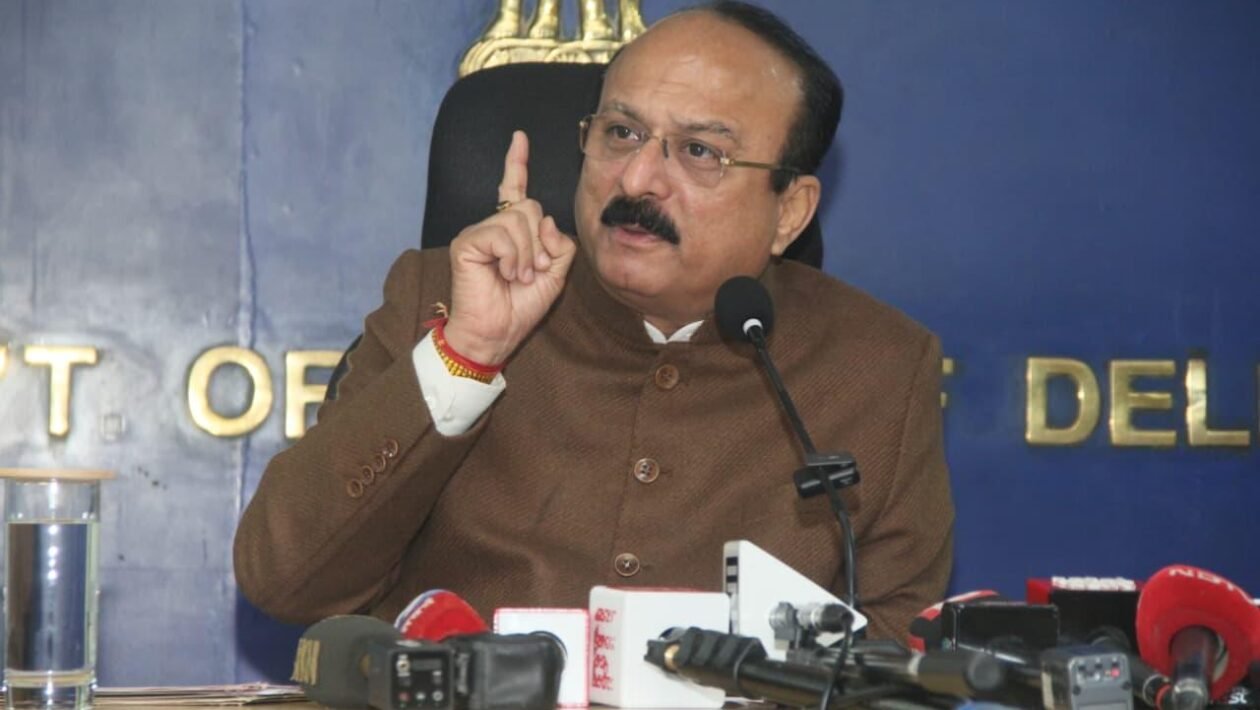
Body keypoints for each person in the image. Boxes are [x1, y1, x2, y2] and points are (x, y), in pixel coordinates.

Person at [234, 0, 953, 641]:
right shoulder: (441, 299)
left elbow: (895, 657)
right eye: (621, 132)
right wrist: (468, 354)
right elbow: (285, 582)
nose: (636, 179)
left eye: (699, 152)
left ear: (790, 211)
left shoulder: (880, 367)